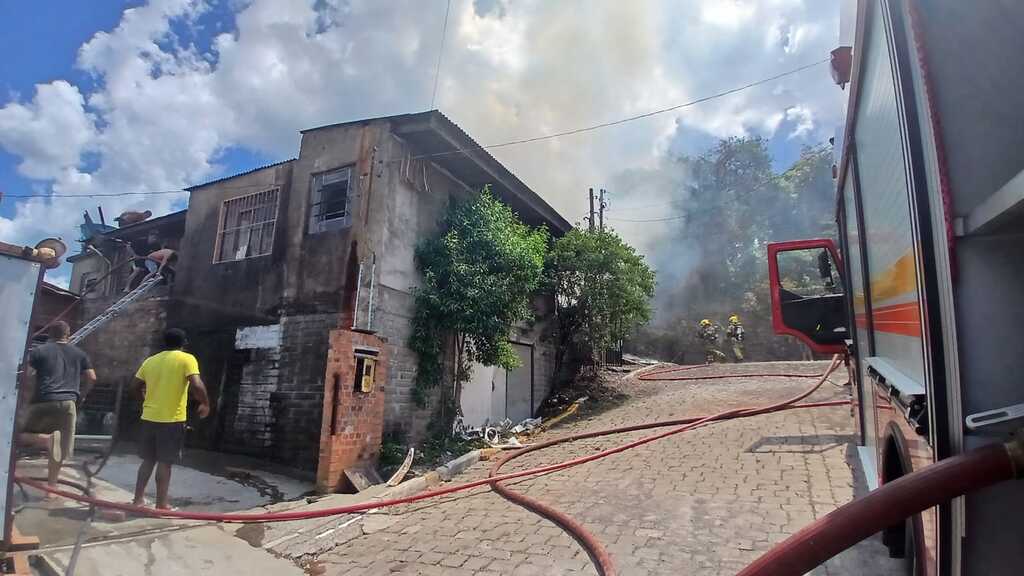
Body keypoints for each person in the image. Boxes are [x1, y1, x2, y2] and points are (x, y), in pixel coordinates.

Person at [132, 328, 210, 510]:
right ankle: (161, 504)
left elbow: (134, 386)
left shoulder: (150, 361)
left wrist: (144, 402)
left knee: (148, 460)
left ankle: (137, 500)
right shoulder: (186, 359)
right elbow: (196, 384)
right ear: (183, 344)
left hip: (149, 417)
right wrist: (205, 403)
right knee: (165, 462)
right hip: (171, 420)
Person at [17, 321, 97, 493]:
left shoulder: (39, 351)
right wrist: (82, 395)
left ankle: (45, 439)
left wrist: (26, 396)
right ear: (67, 334)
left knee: (16, 436)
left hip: (43, 400)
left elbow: (26, 375)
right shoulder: (80, 353)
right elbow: (92, 377)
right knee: (59, 446)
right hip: (68, 403)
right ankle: (51, 488)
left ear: (50, 335)